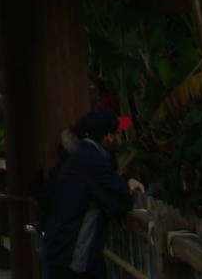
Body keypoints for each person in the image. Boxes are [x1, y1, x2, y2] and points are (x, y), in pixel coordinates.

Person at [40, 108, 145, 279]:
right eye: (118, 133)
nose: (121, 138)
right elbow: (120, 201)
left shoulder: (82, 155)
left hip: (59, 248)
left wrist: (125, 179)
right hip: (73, 255)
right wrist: (124, 184)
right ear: (108, 137)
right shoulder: (94, 162)